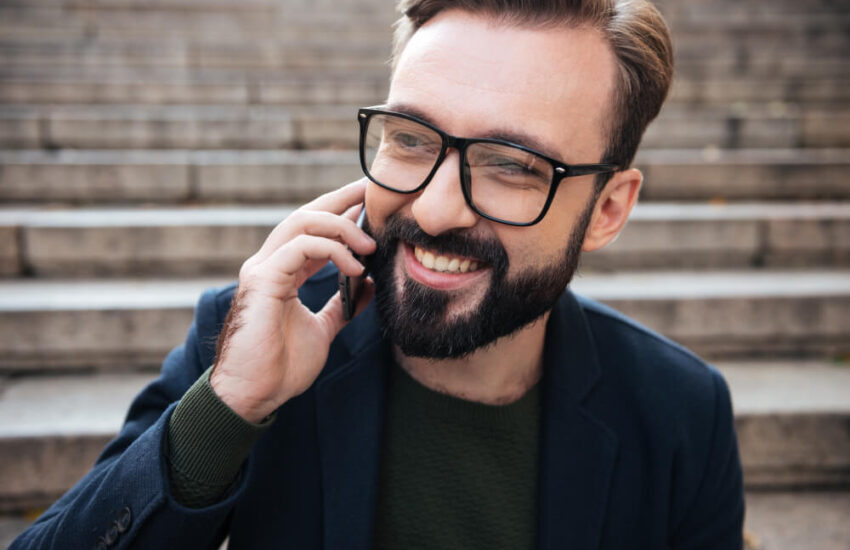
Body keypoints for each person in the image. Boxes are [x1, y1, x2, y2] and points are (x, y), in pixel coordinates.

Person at [12, 0, 745, 548]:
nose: (432, 209)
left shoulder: (681, 415)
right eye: (410, 138)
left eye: (515, 166)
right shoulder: (248, 341)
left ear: (609, 209)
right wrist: (228, 406)